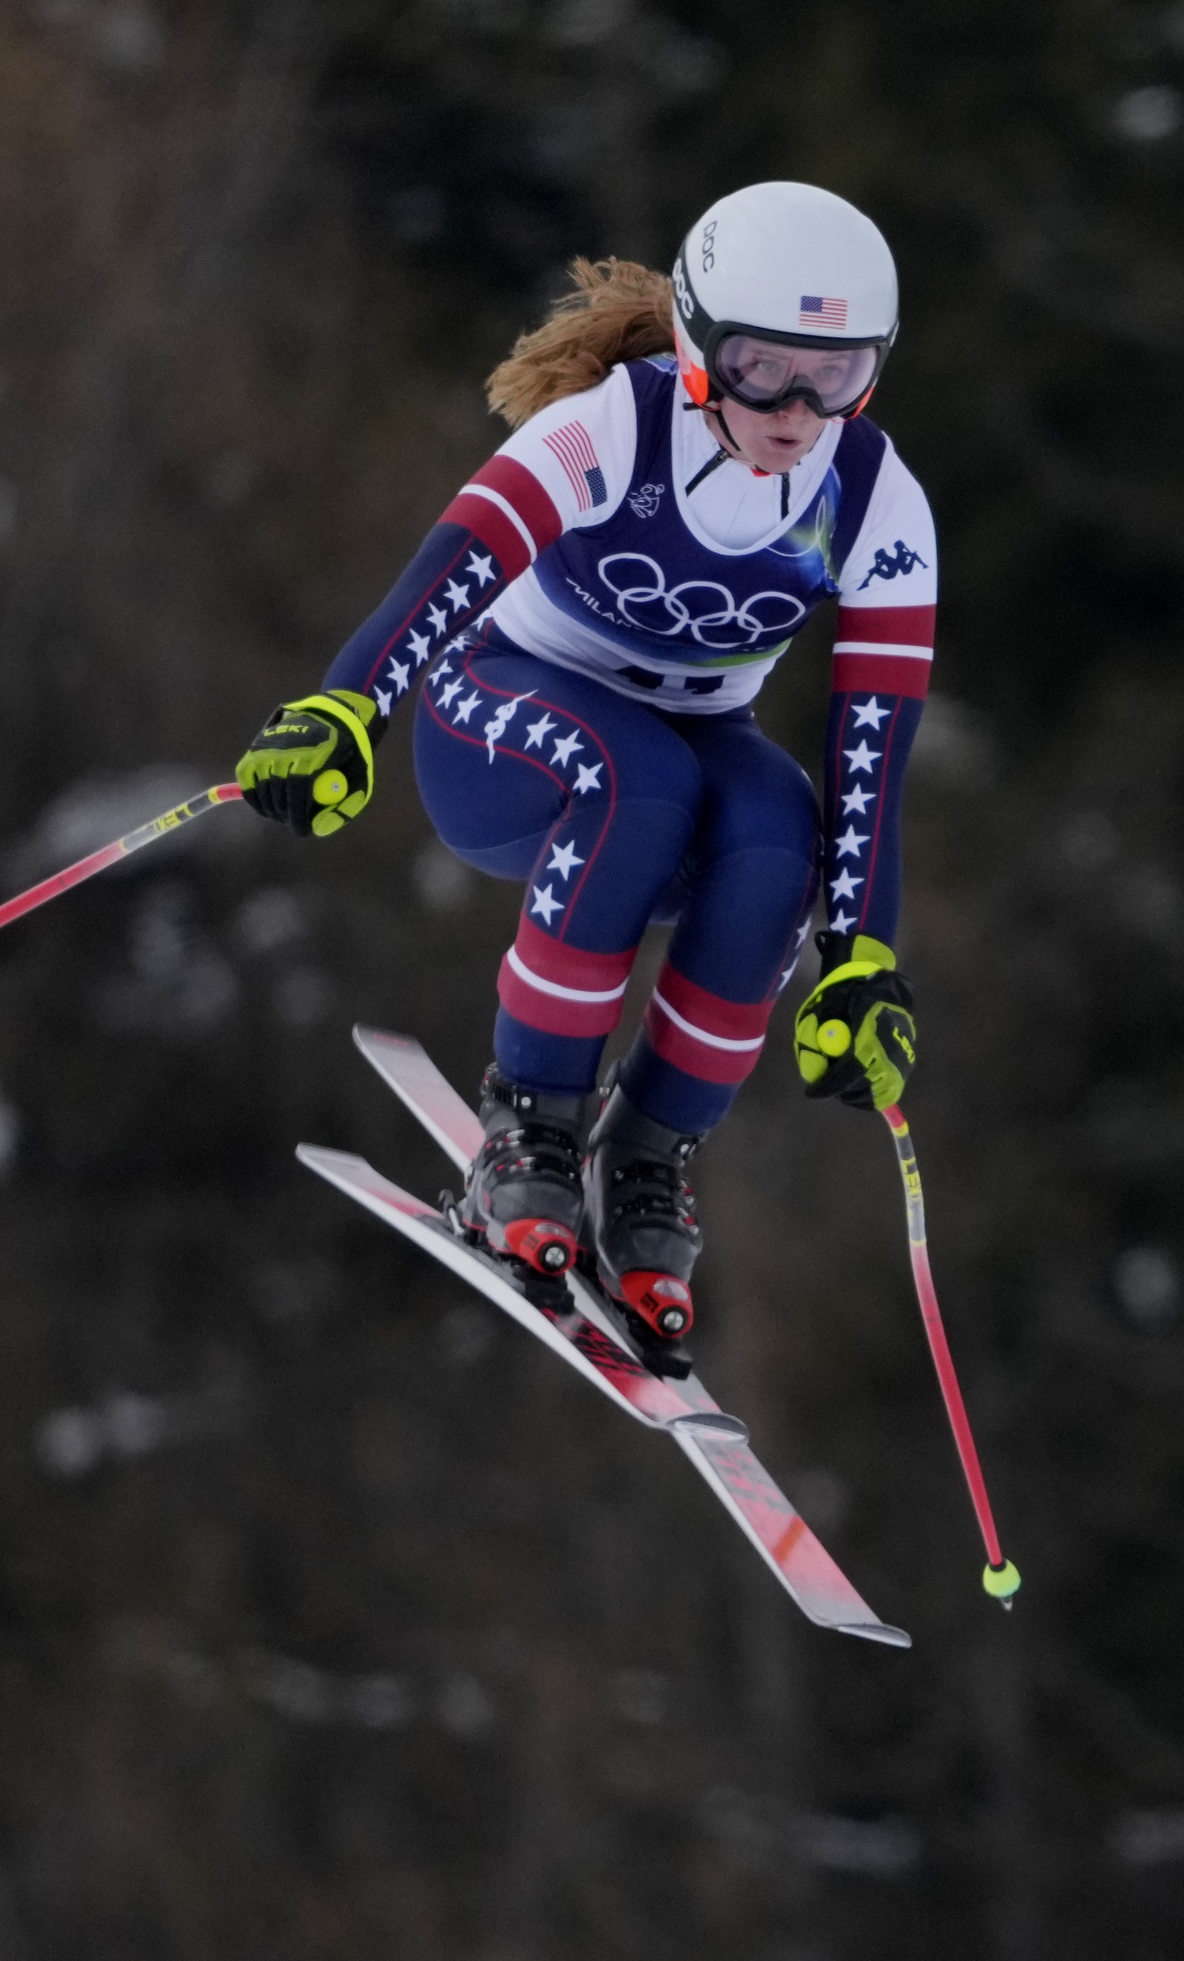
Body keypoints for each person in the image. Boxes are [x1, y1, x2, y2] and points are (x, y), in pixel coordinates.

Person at [236, 179, 935, 1365]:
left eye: (838, 373)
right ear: (701, 346)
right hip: (497, 722)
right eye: (766, 366)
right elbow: (452, 569)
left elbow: (872, 744)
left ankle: (645, 1159)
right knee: (641, 780)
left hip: (686, 751)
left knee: (775, 835)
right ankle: (530, 1126)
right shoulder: (615, 427)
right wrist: (343, 709)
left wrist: (858, 954)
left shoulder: (871, 498)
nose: (797, 409)